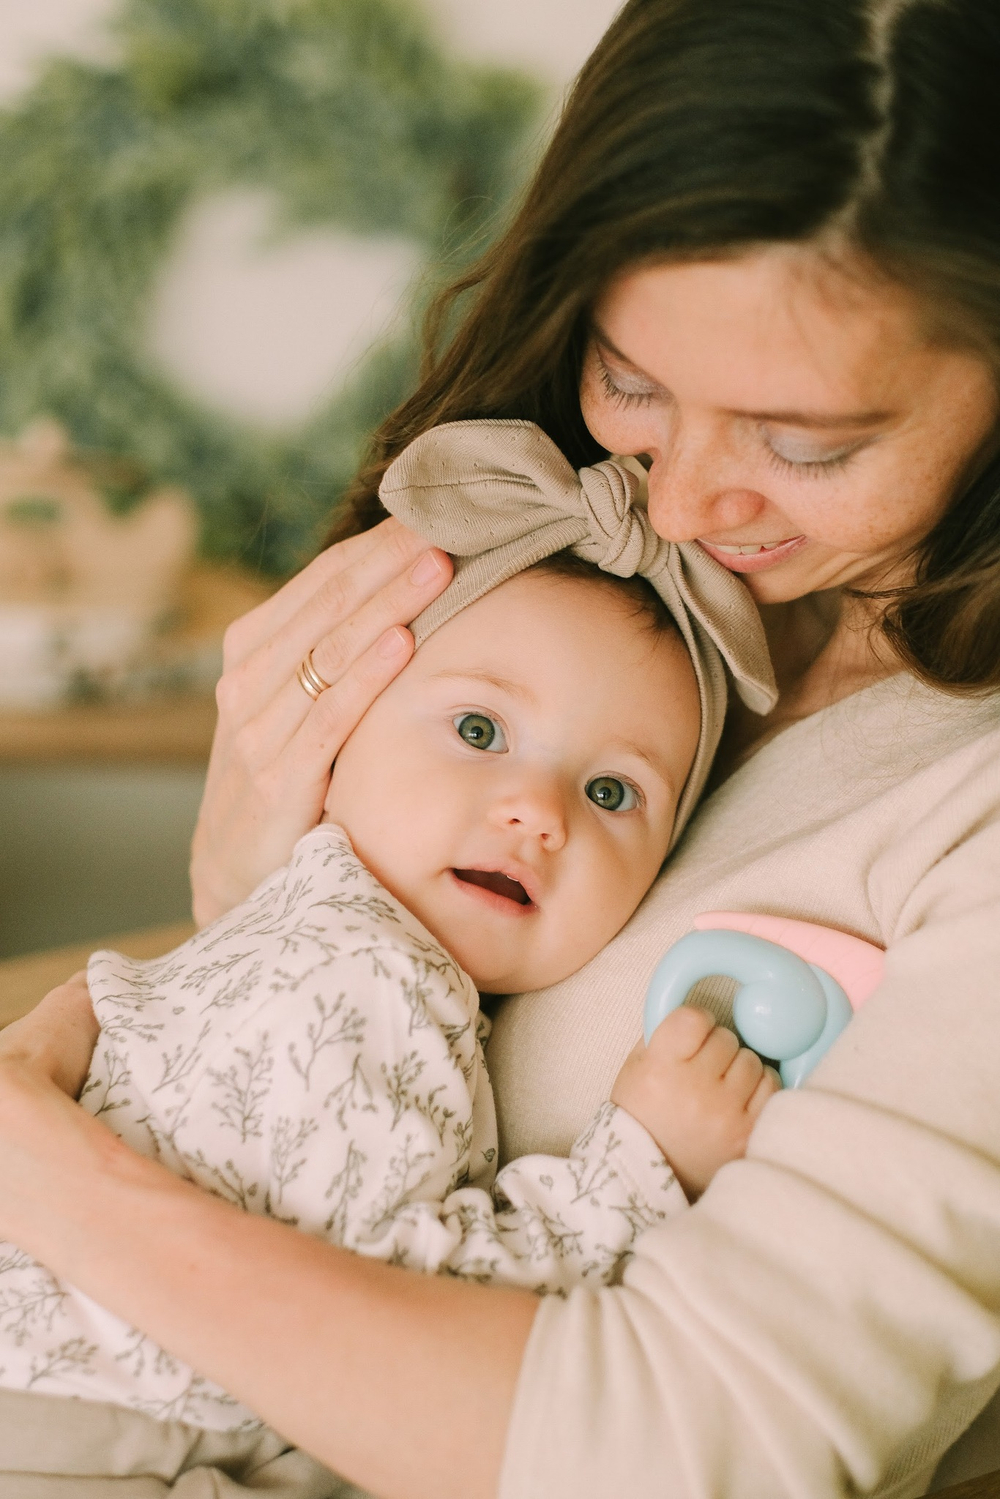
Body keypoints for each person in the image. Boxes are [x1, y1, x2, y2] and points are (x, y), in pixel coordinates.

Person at [1, 0, 1000, 1494]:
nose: (676, 505)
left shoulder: (957, 800)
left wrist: (61, 1183)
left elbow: (687, 1447)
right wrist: (243, 880)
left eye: (806, 444)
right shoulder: (523, 559)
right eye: (631, 381)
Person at [0, 426, 782, 1464]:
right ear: (343, 730)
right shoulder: (373, 978)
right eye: (478, 730)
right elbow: (396, 1302)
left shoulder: (312, 929)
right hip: (101, 1438)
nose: (536, 813)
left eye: (610, 792)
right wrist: (637, 1168)